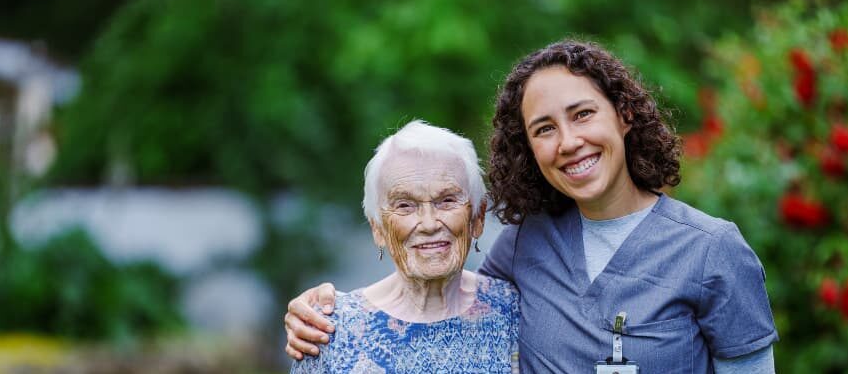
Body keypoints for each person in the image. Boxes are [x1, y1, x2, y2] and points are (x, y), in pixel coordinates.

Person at [285, 39, 778, 373]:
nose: (569, 142)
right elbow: (436, 278)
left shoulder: (712, 252)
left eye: (583, 114)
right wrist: (324, 308)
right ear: (529, 148)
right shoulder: (525, 246)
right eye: (544, 129)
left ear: (624, 115)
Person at [290, 120, 520, 373]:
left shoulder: (513, 309)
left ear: (477, 217)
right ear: (377, 228)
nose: (429, 224)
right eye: (404, 205)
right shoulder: (329, 328)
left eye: (447, 200)